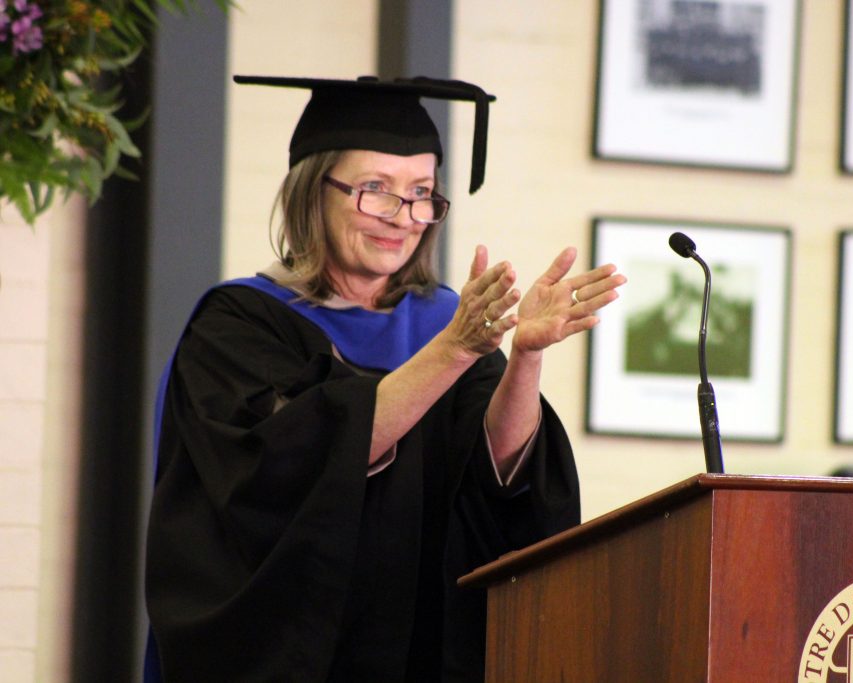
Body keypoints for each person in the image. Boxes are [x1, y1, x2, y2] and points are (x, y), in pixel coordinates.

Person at [143, 75, 626, 683]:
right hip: (291, 657)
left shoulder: (440, 320)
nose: (402, 217)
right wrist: (454, 349)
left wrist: (525, 356)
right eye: (375, 189)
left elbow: (497, 475)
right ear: (311, 193)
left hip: (419, 655)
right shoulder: (240, 324)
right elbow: (293, 464)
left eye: (422, 193)